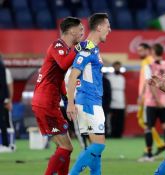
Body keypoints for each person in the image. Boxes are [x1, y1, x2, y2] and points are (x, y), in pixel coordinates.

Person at [31, 17, 85, 175]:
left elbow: (59, 77)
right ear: (71, 30)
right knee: (66, 147)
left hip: (47, 103)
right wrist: (79, 49)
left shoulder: (66, 49)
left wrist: (68, 99)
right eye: (80, 30)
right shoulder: (57, 45)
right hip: (45, 103)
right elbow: (63, 63)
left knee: (66, 148)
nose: (82, 33)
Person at [66, 13, 111, 174]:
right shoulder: (87, 49)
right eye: (107, 26)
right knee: (99, 145)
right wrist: (70, 103)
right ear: (99, 27)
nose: (110, 30)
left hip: (91, 102)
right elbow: (73, 75)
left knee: (95, 149)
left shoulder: (93, 48)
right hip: (88, 102)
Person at [139, 43, 165, 161]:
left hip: (151, 102)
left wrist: (156, 100)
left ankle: (149, 156)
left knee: (149, 128)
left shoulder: (149, 65)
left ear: (153, 52)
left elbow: (151, 85)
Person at [136, 43, 165, 156]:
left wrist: (142, 95)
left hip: (147, 96)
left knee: (146, 122)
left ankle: (153, 147)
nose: (139, 53)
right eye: (138, 51)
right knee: (142, 120)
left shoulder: (149, 61)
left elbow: (148, 80)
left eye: (141, 50)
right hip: (145, 96)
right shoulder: (145, 61)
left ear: (148, 51)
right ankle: (159, 144)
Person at [107, 61, 126, 138]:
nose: (118, 68)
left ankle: (119, 134)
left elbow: (123, 91)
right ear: (113, 67)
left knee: (120, 120)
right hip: (112, 101)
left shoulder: (122, 78)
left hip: (121, 101)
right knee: (112, 120)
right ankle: (112, 134)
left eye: (119, 67)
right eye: (116, 66)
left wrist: (125, 103)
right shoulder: (109, 77)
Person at [0, 57, 10, 152]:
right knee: (2, 121)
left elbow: (3, 83)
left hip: (0, 98)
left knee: (2, 122)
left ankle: (5, 144)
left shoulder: (1, 65)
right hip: (2, 97)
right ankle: (5, 144)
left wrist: (6, 99)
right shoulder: (2, 65)